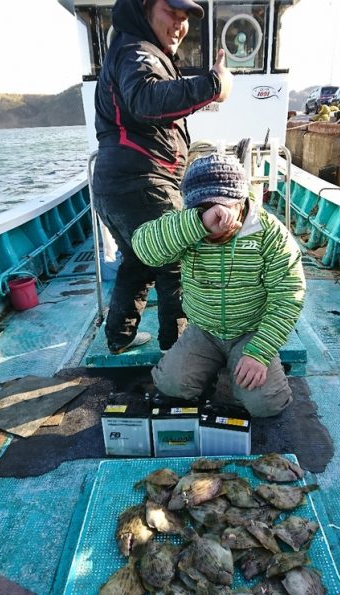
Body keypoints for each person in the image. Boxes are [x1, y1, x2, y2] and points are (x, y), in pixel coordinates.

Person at [92, 0, 233, 354]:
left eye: (185, 19)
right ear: (143, 7)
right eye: (172, 13)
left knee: (138, 261)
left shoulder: (133, 49)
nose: (180, 25)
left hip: (115, 184)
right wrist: (213, 84)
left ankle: (119, 338)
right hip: (143, 183)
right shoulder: (137, 52)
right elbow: (146, 99)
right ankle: (180, 352)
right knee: (177, 261)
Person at [132, 153, 306, 417]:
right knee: (170, 385)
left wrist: (259, 352)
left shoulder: (270, 233)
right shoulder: (190, 223)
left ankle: (243, 367)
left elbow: (288, 296)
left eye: (223, 206)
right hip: (204, 329)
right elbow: (145, 249)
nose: (217, 219)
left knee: (266, 404)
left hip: (251, 331)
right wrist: (197, 223)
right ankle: (219, 369)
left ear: (241, 199)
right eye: (204, 208)